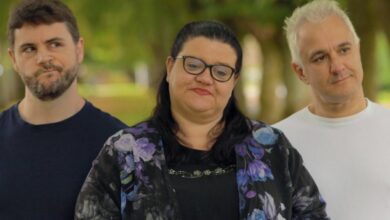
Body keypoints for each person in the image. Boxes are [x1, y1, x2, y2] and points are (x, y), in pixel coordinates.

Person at [75, 20, 328, 220]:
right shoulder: (124, 151)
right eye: (194, 65)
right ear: (170, 67)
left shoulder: (272, 147)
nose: (206, 78)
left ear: (233, 82)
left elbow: (312, 213)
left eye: (220, 71)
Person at [0, 0, 127, 219]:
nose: (44, 58)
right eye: (29, 49)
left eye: (55, 44)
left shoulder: (121, 145)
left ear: (79, 49)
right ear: (14, 59)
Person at [273, 0, 390, 219]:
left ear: (359, 50)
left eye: (344, 50)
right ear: (300, 72)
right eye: (320, 57)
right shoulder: (274, 145)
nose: (337, 66)